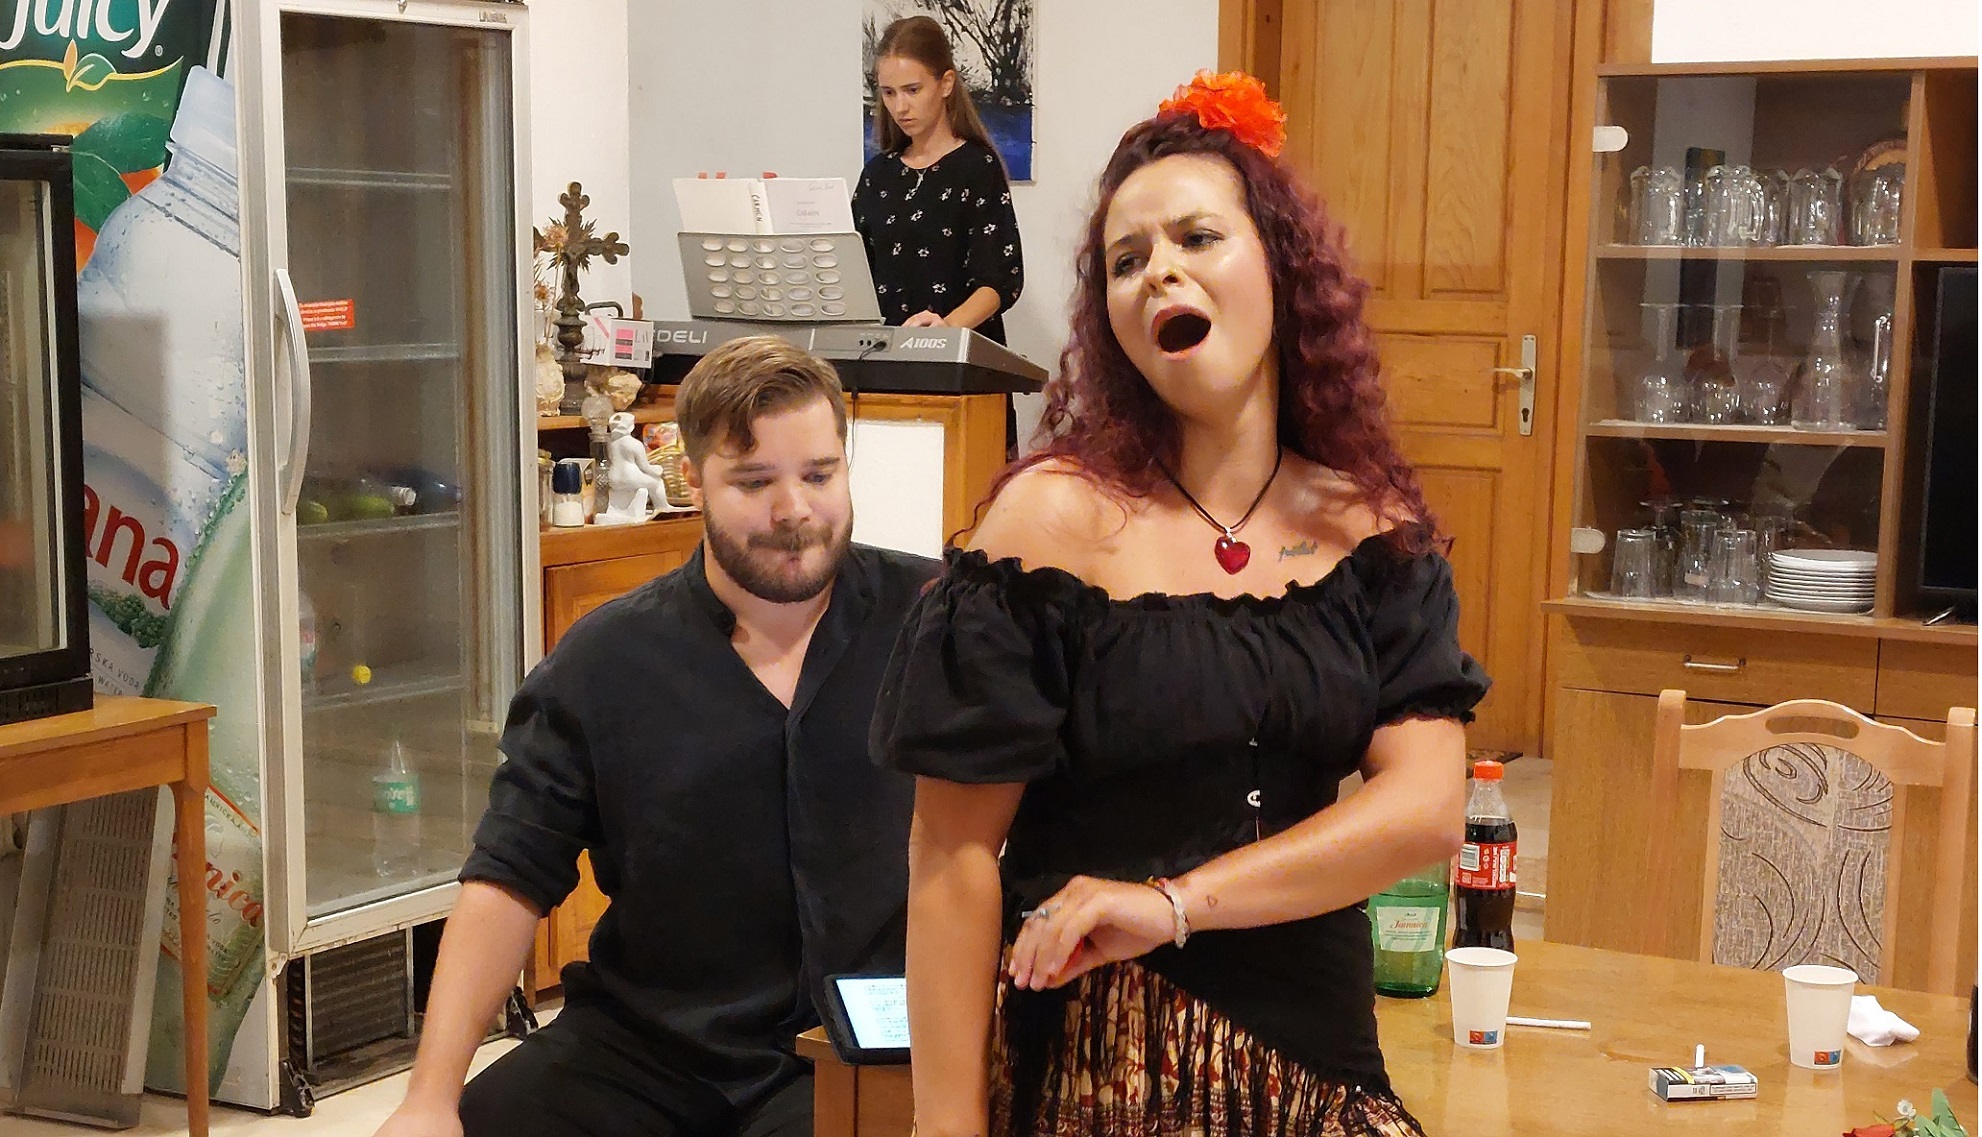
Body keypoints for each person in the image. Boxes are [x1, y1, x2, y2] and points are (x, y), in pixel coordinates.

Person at [870, 72, 1491, 1136]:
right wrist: (945, 1125)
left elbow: (1424, 810)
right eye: (1126, 260)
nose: (1158, 269)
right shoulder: (1048, 523)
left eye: (1197, 238)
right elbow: (950, 855)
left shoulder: (1366, 528)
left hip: (1317, 1065)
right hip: (1103, 1067)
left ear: (1281, 270)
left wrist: (1170, 906)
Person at [375, 336, 937, 1137]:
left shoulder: (934, 620)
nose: (794, 510)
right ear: (691, 479)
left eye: (819, 474)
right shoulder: (605, 660)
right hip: (650, 1044)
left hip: (856, 1046)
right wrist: (428, 1096)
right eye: (755, 481)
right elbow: (508, 874)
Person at [854, 15, 1024, 344]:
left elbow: (1000, 279)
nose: (900, 107)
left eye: (912, 90)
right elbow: (854, 271)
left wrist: (946, 329)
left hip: (958, 357)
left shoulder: (977, 167)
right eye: (889, 93)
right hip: (888, 356)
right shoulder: (877, 175)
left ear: (946, 84)